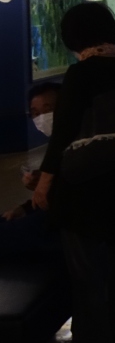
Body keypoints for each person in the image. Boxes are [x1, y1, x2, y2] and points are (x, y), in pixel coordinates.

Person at [32, 2, 115, 343]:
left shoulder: (80, 75)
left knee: (86, 267)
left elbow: (63, 135)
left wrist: (44, 183)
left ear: (73, 37)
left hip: (85, 188)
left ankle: (92, 342)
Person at [0, 82, 62, 259]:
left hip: (60, 226)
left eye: (48, 109)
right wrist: (25, 208)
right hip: (47, 215)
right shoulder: (55, 146)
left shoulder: (77, 146)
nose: (42, 118)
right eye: (36, 113)